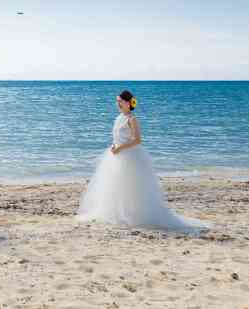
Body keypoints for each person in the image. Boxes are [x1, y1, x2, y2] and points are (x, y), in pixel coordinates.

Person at [77, 90, 206, 231]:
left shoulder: (132, 119)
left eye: (120, 101)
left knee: (131, 187)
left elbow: (137, 140)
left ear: (128, 102)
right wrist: (115, 146)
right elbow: (118, 136)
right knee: (115, 186)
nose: (117, 103)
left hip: (129, 157)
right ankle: (118, 214)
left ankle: (134, 216)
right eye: (117, 101)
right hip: (116, 155)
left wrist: (120, 148)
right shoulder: (119, 117)